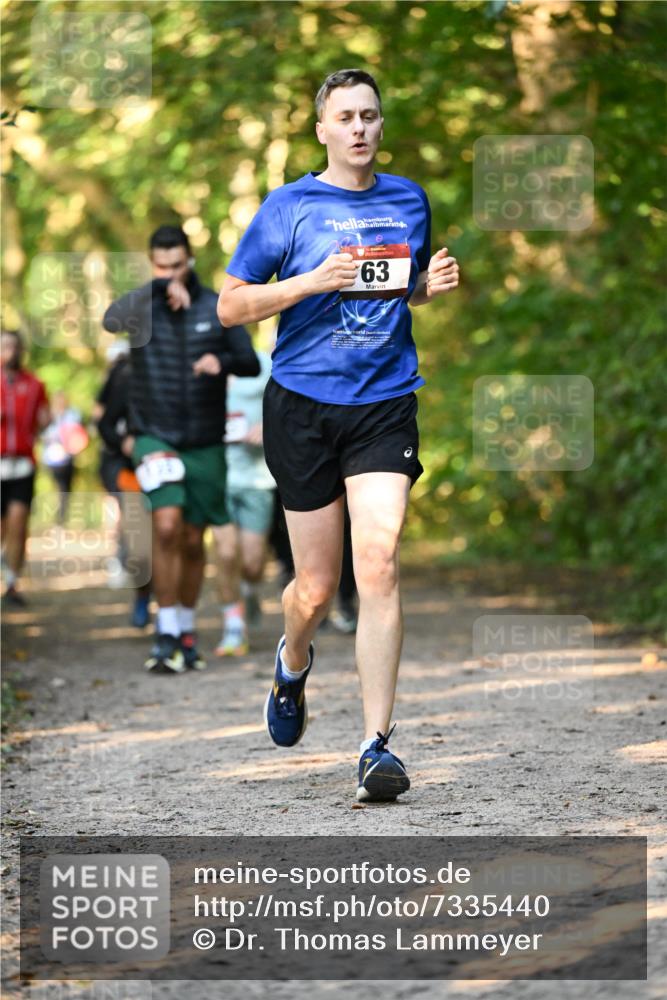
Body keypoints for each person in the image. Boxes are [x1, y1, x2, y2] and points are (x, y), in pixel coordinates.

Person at [218, 68, 459, 801]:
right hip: (301, 406)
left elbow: (392, 283)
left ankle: (374, 746)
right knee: (316, 590)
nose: (359, 128)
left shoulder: (408, 200)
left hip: (384, 402)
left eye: (370, 116)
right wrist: (308, 283)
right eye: (345, 117)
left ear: (381, 127)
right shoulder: (288, 207)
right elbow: (231, 306)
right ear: (321, 129)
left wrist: (425, 285)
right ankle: (292, 662)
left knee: (378, 561)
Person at [103, 225, 259, 673]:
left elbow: (249, 362)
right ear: (153, 264)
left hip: (206, 440)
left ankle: (185, 633)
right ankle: (165, 630)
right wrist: (156, 290)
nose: (170, 271)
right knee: (166, 526)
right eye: (160, 265)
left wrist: (221, 362)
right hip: (155, 435)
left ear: (190, 259)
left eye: (176, 264)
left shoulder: (217, 304)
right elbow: (109, 320)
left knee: (193, 539)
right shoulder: (141, 306)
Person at [212, 350, 275, 656]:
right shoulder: (205, 363)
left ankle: (249, 590)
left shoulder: (264, 364)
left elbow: (285, 401)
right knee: (225, 553)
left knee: (251, 562)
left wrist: (267, 425)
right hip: (218, 475)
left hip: (257, 478)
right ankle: (234, 629)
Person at [94, 340, 152, 628]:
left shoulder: (187, 365)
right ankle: (143, 596)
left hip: (178, 464)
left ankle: (177, 618)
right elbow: (104, 422)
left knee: (176, 539)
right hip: (130, 469)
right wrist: (124, 441)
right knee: (140, 543)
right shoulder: (125, 374)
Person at [1, 329, 50, 606]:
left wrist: (46, 421)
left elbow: (44, 420)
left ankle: (12, 583)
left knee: (18, 522)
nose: (10, 352)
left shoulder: (34, 385)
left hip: (21, 464)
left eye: (13, 347)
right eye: (4, 346)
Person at [41, 391, 85, 525]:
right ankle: (57, 519)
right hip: (53, 459)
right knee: (60, 488)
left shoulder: (72, 415)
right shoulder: (50, 416)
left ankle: (60, 519)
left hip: (67, 458)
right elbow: (42, 434)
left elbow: (78, 436)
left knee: (64, 489)